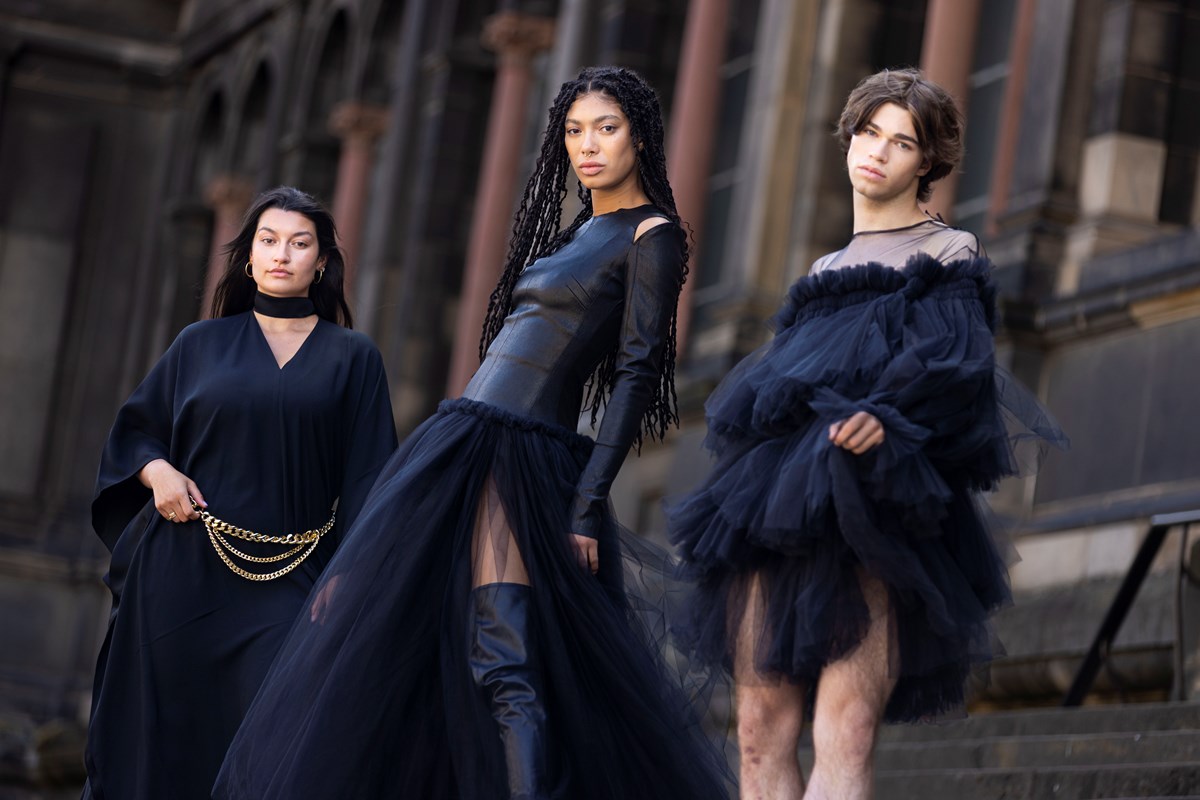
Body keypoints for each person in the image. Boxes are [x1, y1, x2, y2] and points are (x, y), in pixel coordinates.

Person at [214, 66, 731, 800]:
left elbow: (639, 374)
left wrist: (587, 505)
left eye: (605, 129)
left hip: (518, 454)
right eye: (574, 131)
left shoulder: (653, 236)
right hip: (463, 439)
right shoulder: (581, 230)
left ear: (641, 136)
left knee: (504, 655)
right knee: (409, 641)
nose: (587, 147)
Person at [666, 68, 1065, 799]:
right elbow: (772, 401)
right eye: (869, 132)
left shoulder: (949, 253)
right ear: (849, 139)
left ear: (928, 163)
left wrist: (884, 419)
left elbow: (955, 370)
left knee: (843, 732)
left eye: (902, 141)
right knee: (757, 731)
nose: (877, 152)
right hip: (775, 508)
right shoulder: (823, 271)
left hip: (873, 505)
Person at [82, 186, 398, 800]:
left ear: (323, 261)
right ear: (249, 257)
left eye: (299, 243)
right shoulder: (198, 344)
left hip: (296, 576)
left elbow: (370, 476)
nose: (282, 254)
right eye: (268, 240)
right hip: (180, 573)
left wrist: (349, 574)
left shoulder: (354, 358)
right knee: (163, 746)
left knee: (272, 746)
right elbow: (135, 436)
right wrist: (160, 474)